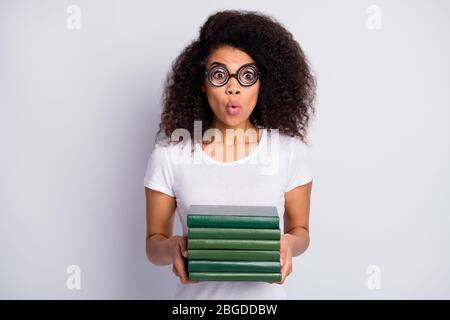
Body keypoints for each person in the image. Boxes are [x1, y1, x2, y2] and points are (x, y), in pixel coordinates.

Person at [143, 9, 316, 299]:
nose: (233, 88)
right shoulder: (170, 156)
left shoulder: (289, 153)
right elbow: (153, 244)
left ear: (264, 82)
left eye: (247, 75)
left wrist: (289, 244)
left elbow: (300, 230)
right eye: (220, 75)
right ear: (202, 81)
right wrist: (172, 246)